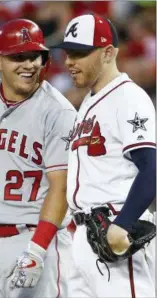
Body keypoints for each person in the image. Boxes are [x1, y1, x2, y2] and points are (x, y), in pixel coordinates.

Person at [0, 19, 76, 298]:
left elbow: (60, 187)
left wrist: (37, 250)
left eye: (34, 56)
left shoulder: (58, 111)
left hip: (37, 240)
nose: (28, 65)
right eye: (18, 57)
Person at [53, 14, 156, 297]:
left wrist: (122, 224)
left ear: (108, 52)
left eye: (79, 53)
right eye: (68, 53)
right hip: (83, 237)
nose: (69, 61)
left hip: (115, 230)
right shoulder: (87, 104)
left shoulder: (128, 97)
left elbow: (151, 168)